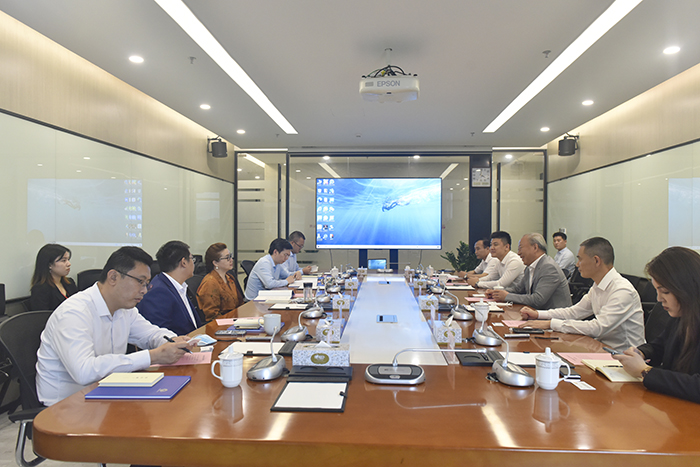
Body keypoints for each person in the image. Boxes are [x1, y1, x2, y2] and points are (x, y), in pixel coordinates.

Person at [36, 246, 196, 406]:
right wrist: (152, 356)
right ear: (113, 277)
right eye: (140, 282)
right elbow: (84, 371)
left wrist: (173, 341)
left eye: (146, 283)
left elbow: (150, 334)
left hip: (107, 393)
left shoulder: (125, 308)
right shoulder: (74, 313)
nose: (144, 291)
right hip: (66, 406)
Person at [520, 237, 644, 351]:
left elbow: (598, 327)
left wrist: (551, 324)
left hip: (624, 358)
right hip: (601, 349)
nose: (577, 264)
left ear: (596, 260)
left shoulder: (622, 290)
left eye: (580, 259)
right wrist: (538, 314)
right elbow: (574, 312)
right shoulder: (597, 286)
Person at [613, 247, 700, 403]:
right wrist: (640, 352)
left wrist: (645, 371)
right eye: (657, 291)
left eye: (665, 292)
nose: (659, 299)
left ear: (687, 288)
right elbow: (659, 346)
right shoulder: (682, 316)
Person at [487, 233, 571, 309]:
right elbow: (518, 289)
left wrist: (506, 296)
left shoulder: (548, 267)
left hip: (553, 318)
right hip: (535, 313)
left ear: (535, 247)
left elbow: (538, 300)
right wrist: (497, 293)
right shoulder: (529, 267)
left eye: (520, 248)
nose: (518, 253)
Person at [137, 241, 203, 336]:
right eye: (192, 259)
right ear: (184, 262)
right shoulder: (159, 292)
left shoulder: (179, 286)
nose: (193, 263)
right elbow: (160, 335)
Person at [196, 243, 244, 321]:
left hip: (235, 320)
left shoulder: (229, 278)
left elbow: (239, 303)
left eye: (230, 256)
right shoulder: (210, 283)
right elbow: (212, 315)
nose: (231, 260)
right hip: (222, 324)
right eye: (227, 258)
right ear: (215, 263)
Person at [29, 243, 78, 311]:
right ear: (49, 265)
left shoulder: (70, 283)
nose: (69, 264)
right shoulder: (40, 289)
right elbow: (41, 316)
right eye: (63, 260)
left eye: (68, 260)